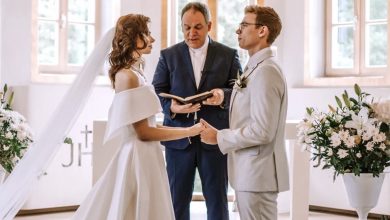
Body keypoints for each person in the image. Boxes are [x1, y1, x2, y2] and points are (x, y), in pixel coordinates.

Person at [72, 14, 204, 220]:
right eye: (147, 34)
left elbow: (148, 124)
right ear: (134, 37)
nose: (151, 39)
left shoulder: (136, 72)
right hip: (137, 157)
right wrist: (189, 131)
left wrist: (184, 120)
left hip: (147, 154)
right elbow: (143, 132)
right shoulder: (127, 76)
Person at [152, 2, 242, 220]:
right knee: (176, 201)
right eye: (186, 27)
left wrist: (222, 95)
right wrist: (172, 107)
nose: (191, 33)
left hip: (214, 138)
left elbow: (240, 90)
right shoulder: (168, 55)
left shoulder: (228, 54)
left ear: (209, 25)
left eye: (198, 27)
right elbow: (157, 89)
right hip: (178, 140)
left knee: (217, 200)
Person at [200, 5, 289, 220]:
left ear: (262, 31)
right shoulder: (255, 68)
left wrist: (219, 136)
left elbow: (262, 130)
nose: (237, 31)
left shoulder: (266, 72)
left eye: (244, 25)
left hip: (258, 175)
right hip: (250, 173)